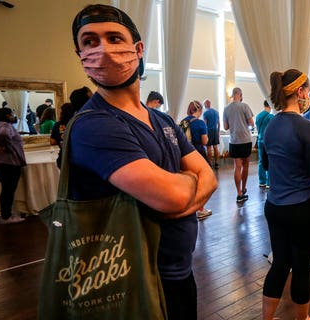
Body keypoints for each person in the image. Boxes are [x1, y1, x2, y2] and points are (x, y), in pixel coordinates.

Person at [70, 5, 217, 319]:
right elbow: (175, 194)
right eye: (90, 42)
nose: (103, 49)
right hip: (132, 280)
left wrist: (182, 189)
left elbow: (210, 176)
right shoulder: (94, 124)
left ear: (137, 49)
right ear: (80, 56)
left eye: (113, 37)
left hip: (179, 272)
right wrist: (188, 182)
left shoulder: (161, 118)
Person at [261, 68, 310, 320]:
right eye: (307, 90)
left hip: (274, 207)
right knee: (302, 269)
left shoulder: (271, 126)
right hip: (303, 210)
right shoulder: (308, 128)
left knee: (280, 265)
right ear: (301, 92)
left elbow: (267, 165)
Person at [0, 108, 26, 224]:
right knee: (8, 190)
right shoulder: (5, 126)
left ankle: (6, 214)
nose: (13, 116)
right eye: (12, 114)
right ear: (7, 115)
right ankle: (6, 217)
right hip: (7, 161)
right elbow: (3, 133)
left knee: (6, 189)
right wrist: (8, 146)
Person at [224, 87, 254, 202]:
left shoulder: (226, 108)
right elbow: (251, 123)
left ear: (233, 95)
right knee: (245, 165)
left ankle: (239, 193)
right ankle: (244, 188)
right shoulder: (244, 106)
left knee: (237, 167)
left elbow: (226, 127)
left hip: (234, 140)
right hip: (245, 140)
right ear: (240, 95)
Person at [50, 102, 78, 167]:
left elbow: (52, 141)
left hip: (63, 155)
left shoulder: (57, 125)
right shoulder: (78, 123)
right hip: (77, 156)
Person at [255, 100, 274, 187]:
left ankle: (261, 181)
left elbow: (258, 129)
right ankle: (269, 182)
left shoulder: (258, 116)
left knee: (261, 161)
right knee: (269, 161)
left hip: (260, 139)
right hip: (268, 141)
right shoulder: (271, 117)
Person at [202, 99, 221, 169]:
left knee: (209, 148)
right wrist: (218, 132)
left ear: (205, 105)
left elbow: (205, 124)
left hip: (209, 131)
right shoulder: (216, 112)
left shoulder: (205, 113)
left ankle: (209, 163)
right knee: (215, 147)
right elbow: (219, 124)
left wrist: (204, 134)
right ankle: (216, 163)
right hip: (215, 131)